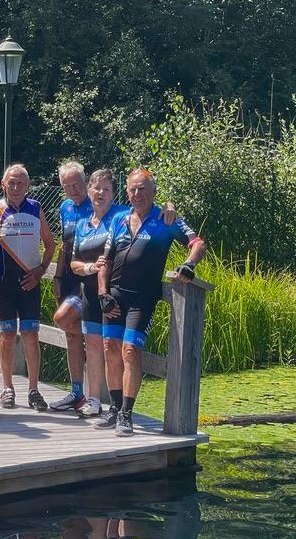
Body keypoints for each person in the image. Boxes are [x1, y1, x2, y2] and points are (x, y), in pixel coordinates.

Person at [96, 168, 207, 435]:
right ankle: (114, 408)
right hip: (114, 296)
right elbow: (105, 260)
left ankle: (126, 413)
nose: (137, 194)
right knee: (110, 348)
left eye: (143, 189)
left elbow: (198, 243)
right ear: (127, 192)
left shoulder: (165, 219)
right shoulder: (119, 218)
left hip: (142, 299)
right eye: (133, 189)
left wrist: (189, 265)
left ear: (154, 191)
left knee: (130, 351)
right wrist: (102, 293)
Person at [67, 170, 179, 419]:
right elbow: (81, 260)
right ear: (88, 191)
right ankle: (102, 403)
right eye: (96, 188)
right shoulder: (87, 219)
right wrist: (99, 285)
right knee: (101, 346)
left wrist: (169, 206)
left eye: (106, 189)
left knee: (128, 350)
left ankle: (123, 411)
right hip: (101, 293)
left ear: (115, 194)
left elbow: (149, 206)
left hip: (133, 295)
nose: (100, 193)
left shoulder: (125, 213)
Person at [0, 164, 56, 411]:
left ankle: (34, 390)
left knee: (30, 335)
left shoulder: (36, 208)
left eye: (20, 183)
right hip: (3, 284)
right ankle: (7, 388)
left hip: (29, 283)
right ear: (3, 184)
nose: (15, 187)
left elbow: (50, 244)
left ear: (28, 185)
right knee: (6, 334)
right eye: (11, 182)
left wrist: (41, 269)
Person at [50, 161, 93, 413]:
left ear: (85, 182)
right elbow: (64, 245)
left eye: (76, 184)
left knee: (62, 318)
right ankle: (77, 392)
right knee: (70, 334)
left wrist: (168, 207)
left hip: (88, 276)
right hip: (68, 276)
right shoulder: (64, 207)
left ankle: (93, 339)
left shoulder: (98, 203)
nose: (72, 190)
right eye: (66, 186)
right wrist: (57, 277)